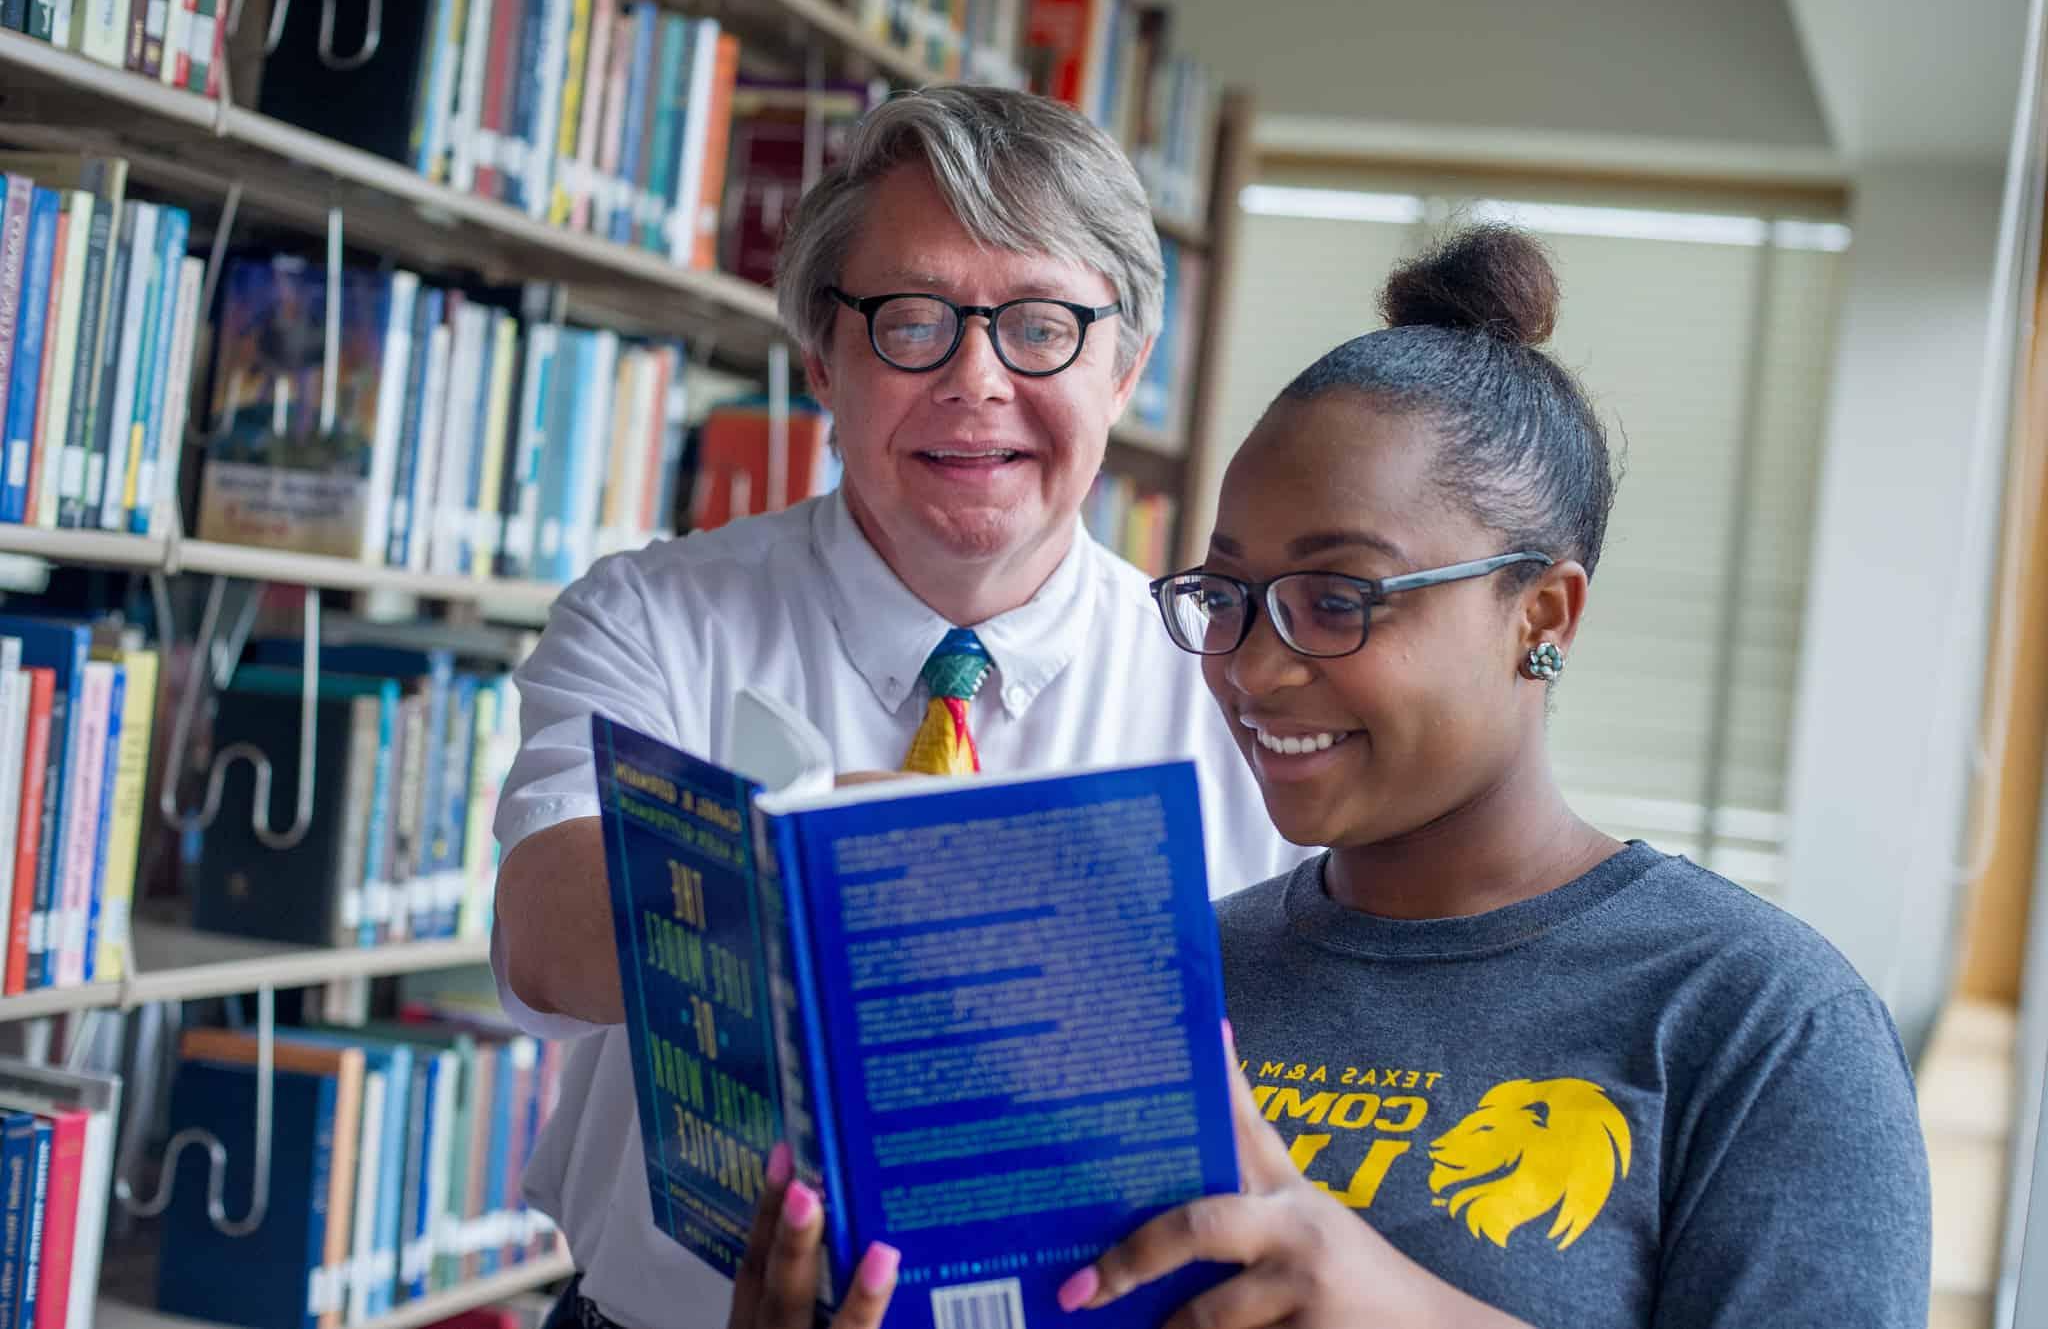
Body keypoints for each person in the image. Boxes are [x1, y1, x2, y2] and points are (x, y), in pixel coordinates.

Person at [735, 225, 1932, 1328]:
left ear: (1541, 615)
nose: (1254, 666)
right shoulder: (1160, 984)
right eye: (1226, 596)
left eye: (1338, 599)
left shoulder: (1757, 1021)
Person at [488, 83, 1305, 1329]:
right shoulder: (651, 615)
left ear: (1128, 366)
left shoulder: (1232, 683)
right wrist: (878, 861)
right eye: (912, 322)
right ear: (823, 356)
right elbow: (548, 934)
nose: (976, 381)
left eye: (1041, 325)